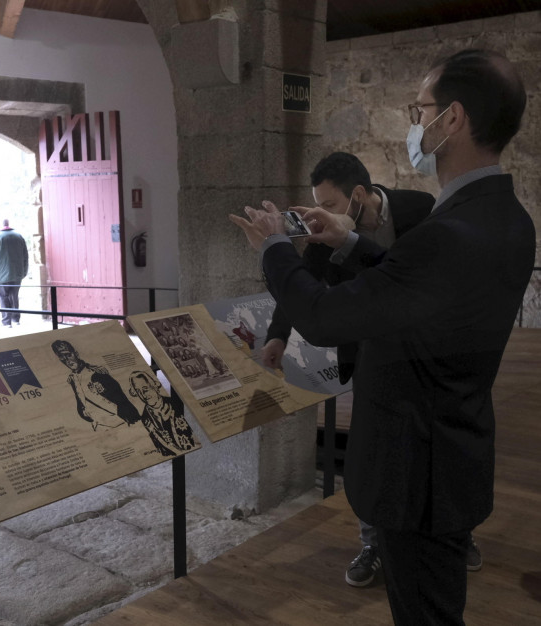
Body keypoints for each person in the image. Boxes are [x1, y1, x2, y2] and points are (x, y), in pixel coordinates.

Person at [231, 49, 534, 624]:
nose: (414, 125)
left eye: (419, 110)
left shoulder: (445, 234)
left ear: (454, 119)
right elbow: (413, 290)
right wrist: (348, 243)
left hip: (413, 470)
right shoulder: (507, 218)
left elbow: (322, 315)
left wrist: (274, 246)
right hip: (452, 452)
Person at [263, 152, 489, 586]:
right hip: (368, 353)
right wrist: (277, 335)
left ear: (359, 196)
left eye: (329, 205)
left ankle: (456, 535)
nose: (319, 216)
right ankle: (373, 543)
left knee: (441, 447)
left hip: (427, 352)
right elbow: (302, 285)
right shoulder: (320, 234)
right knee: (370, 452)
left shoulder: (419, 210)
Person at [52, 339, 140, 430]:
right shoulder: (72, 380)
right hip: (99, 427)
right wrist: (85, 413)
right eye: (62, 358)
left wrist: (134, 421)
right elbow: (80, 403)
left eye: (68, 355)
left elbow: (121, 398)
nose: (68, 361)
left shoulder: (97, 372)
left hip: (121, 423)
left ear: (76, 354)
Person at [128, 370, 197, 456]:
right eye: (138, 391)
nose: (143, 395)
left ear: (154, 386)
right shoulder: (145, 418)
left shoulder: (174, 402)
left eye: (145, 389)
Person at [0, 219, 29, 327]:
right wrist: (24, 272)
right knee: (14, 296)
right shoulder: (19, 236)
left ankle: (6, 322)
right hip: (17, 274)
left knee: (3, 297)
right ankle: (16, 319)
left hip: (0, 276)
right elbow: (25, 256)